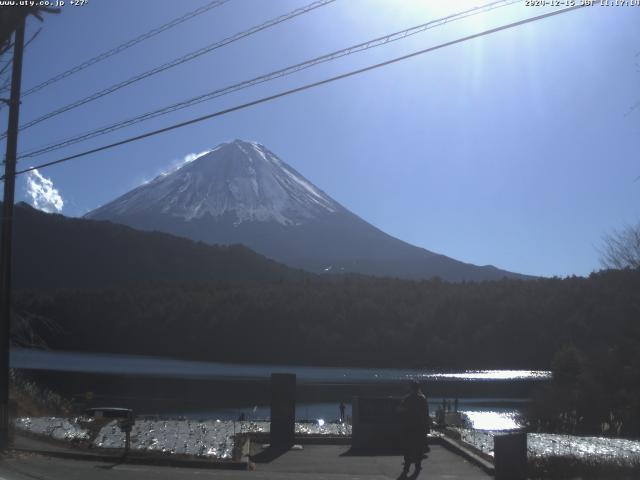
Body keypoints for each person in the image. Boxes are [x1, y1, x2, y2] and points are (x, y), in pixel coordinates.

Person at [398, 381, 430, 475]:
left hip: (409, 426)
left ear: (411, 388)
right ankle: (418, 465)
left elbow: (400, 410)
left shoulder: (407, 398)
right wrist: (426, 426)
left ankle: (406, 467)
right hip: (420, 426)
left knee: (408, 447)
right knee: (419, 447)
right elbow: (426, 414)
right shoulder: (422, 399)